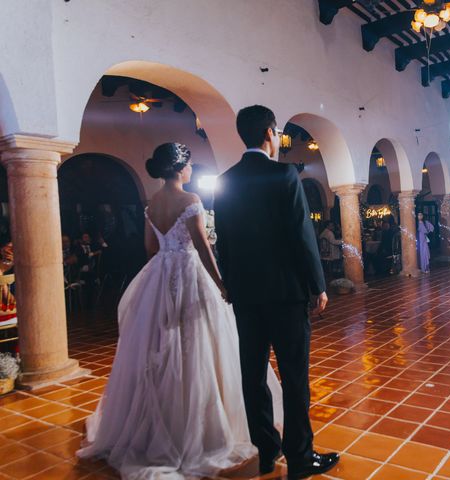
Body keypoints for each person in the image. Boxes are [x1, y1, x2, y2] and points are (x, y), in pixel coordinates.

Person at [77, 143, 280, 479]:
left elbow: (150, 248)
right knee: (199, 344)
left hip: (160, 274)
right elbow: (202, 247)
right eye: (189, 167)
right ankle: (201, 431)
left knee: (158, 347)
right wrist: (221, 283)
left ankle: (157, 421)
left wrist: (166, 265)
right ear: (180, 168)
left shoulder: (151, 204)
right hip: (189, 273)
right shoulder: (191, 201)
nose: (191, 172)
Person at [214, 105, 339, 479]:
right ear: (271, 133)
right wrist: (317, 285)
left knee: (253, 376)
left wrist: (232, 285)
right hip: (286, 294)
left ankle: (266, 451)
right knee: (294, 378)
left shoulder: (226, 181)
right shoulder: (284, 174)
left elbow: (225, 242)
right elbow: (302, 235)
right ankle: (300, 458)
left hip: (247, 297)